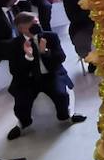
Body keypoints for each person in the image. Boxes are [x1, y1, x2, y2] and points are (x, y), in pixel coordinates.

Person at [5, 12, 86, 140]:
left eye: (36, 23)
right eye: (31, 26)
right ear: (21, 29)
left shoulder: (50, 36)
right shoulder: (14, 45)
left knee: (61, 95)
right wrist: (28, 56)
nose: (36, 27)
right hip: (28, 80)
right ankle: (22, 123)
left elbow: (61, 57)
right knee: (21, 102)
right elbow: (14, 70)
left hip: (51, 75)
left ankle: (66, 116)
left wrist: (45, 52)